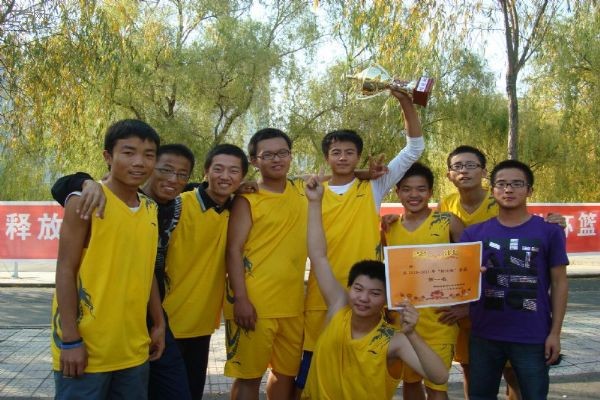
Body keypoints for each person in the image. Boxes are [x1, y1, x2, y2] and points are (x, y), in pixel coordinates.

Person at [300, 89, 425, 389]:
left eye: (349, 152)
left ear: (358, 156)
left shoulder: (373, 186)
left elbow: (414, 149)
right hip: (322, 296)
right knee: (313, 375)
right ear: (326, 157)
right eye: (336, 152)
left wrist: (405, 101)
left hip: (368, 296)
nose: (343, 157)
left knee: (359, 375)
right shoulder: (310, 191)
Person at [51, 143, 196, 400]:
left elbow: (147, 271)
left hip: (138, 338)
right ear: (108, 157)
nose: (174, 179)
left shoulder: (153, 207)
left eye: (182, 174)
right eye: (166, 169)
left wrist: (159, 323)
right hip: (91, 343)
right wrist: (70, 340)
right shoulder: (92, 199)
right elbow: (65, 268)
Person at [301, 172, 449, 399]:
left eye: (375, 293)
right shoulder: (339, 308)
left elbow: (439, 376)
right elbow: (318, 255)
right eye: (358, 289)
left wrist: (412, 334)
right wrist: (314, 202)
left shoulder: (392, 340)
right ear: (349, 288)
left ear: (387, 299)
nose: (363, 298)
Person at [438, 145, 565, 400]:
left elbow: (560, 283)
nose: (508, 189)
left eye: (517, 184)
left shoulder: (549, 231)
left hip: (532, 335)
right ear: (493, 190)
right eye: (502, 184)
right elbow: (454, 271)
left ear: (529, 190)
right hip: (484, 333)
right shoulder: (472, 233)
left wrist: (554, 333)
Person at [225, 128, 307, 400]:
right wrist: (241, 299)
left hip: (293, 304)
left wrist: (368, 173)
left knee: (285, 373)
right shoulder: (247, 198)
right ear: (254, 161)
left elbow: (339, 176)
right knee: (248, 376)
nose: (277, 159)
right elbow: (233, 250)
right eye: (268, 155)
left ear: (291, 156)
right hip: (254, 302)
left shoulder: (301, 190)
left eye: (283, 153)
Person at [162, 144, 248, 399]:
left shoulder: (236, 210)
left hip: (202, 325)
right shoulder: (177, 206)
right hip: (166, 324)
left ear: (243, 177)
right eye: (218, 169)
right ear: (206, 172)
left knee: (192, 392)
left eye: (234, 171)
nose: (225, 176)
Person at [384, 162, 464, 400]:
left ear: (430, 192)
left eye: (421, 189)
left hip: (440, 321)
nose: (414, 195)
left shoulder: (448, 222)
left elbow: (471, 264)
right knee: (410, 384)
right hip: (403, 322)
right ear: (397, 192)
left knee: (437, 388)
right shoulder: (389, 227)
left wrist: (466, 307)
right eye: (407, 189)